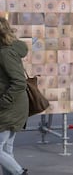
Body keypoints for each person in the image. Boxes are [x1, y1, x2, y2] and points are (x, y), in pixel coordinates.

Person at [0, 17, 29, 175]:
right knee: (6, 149)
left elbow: (19, 82)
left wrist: (3, 102)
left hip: (9, 107)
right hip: (14, 106)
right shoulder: (9, 49)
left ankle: (18, 172)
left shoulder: (5, 53)